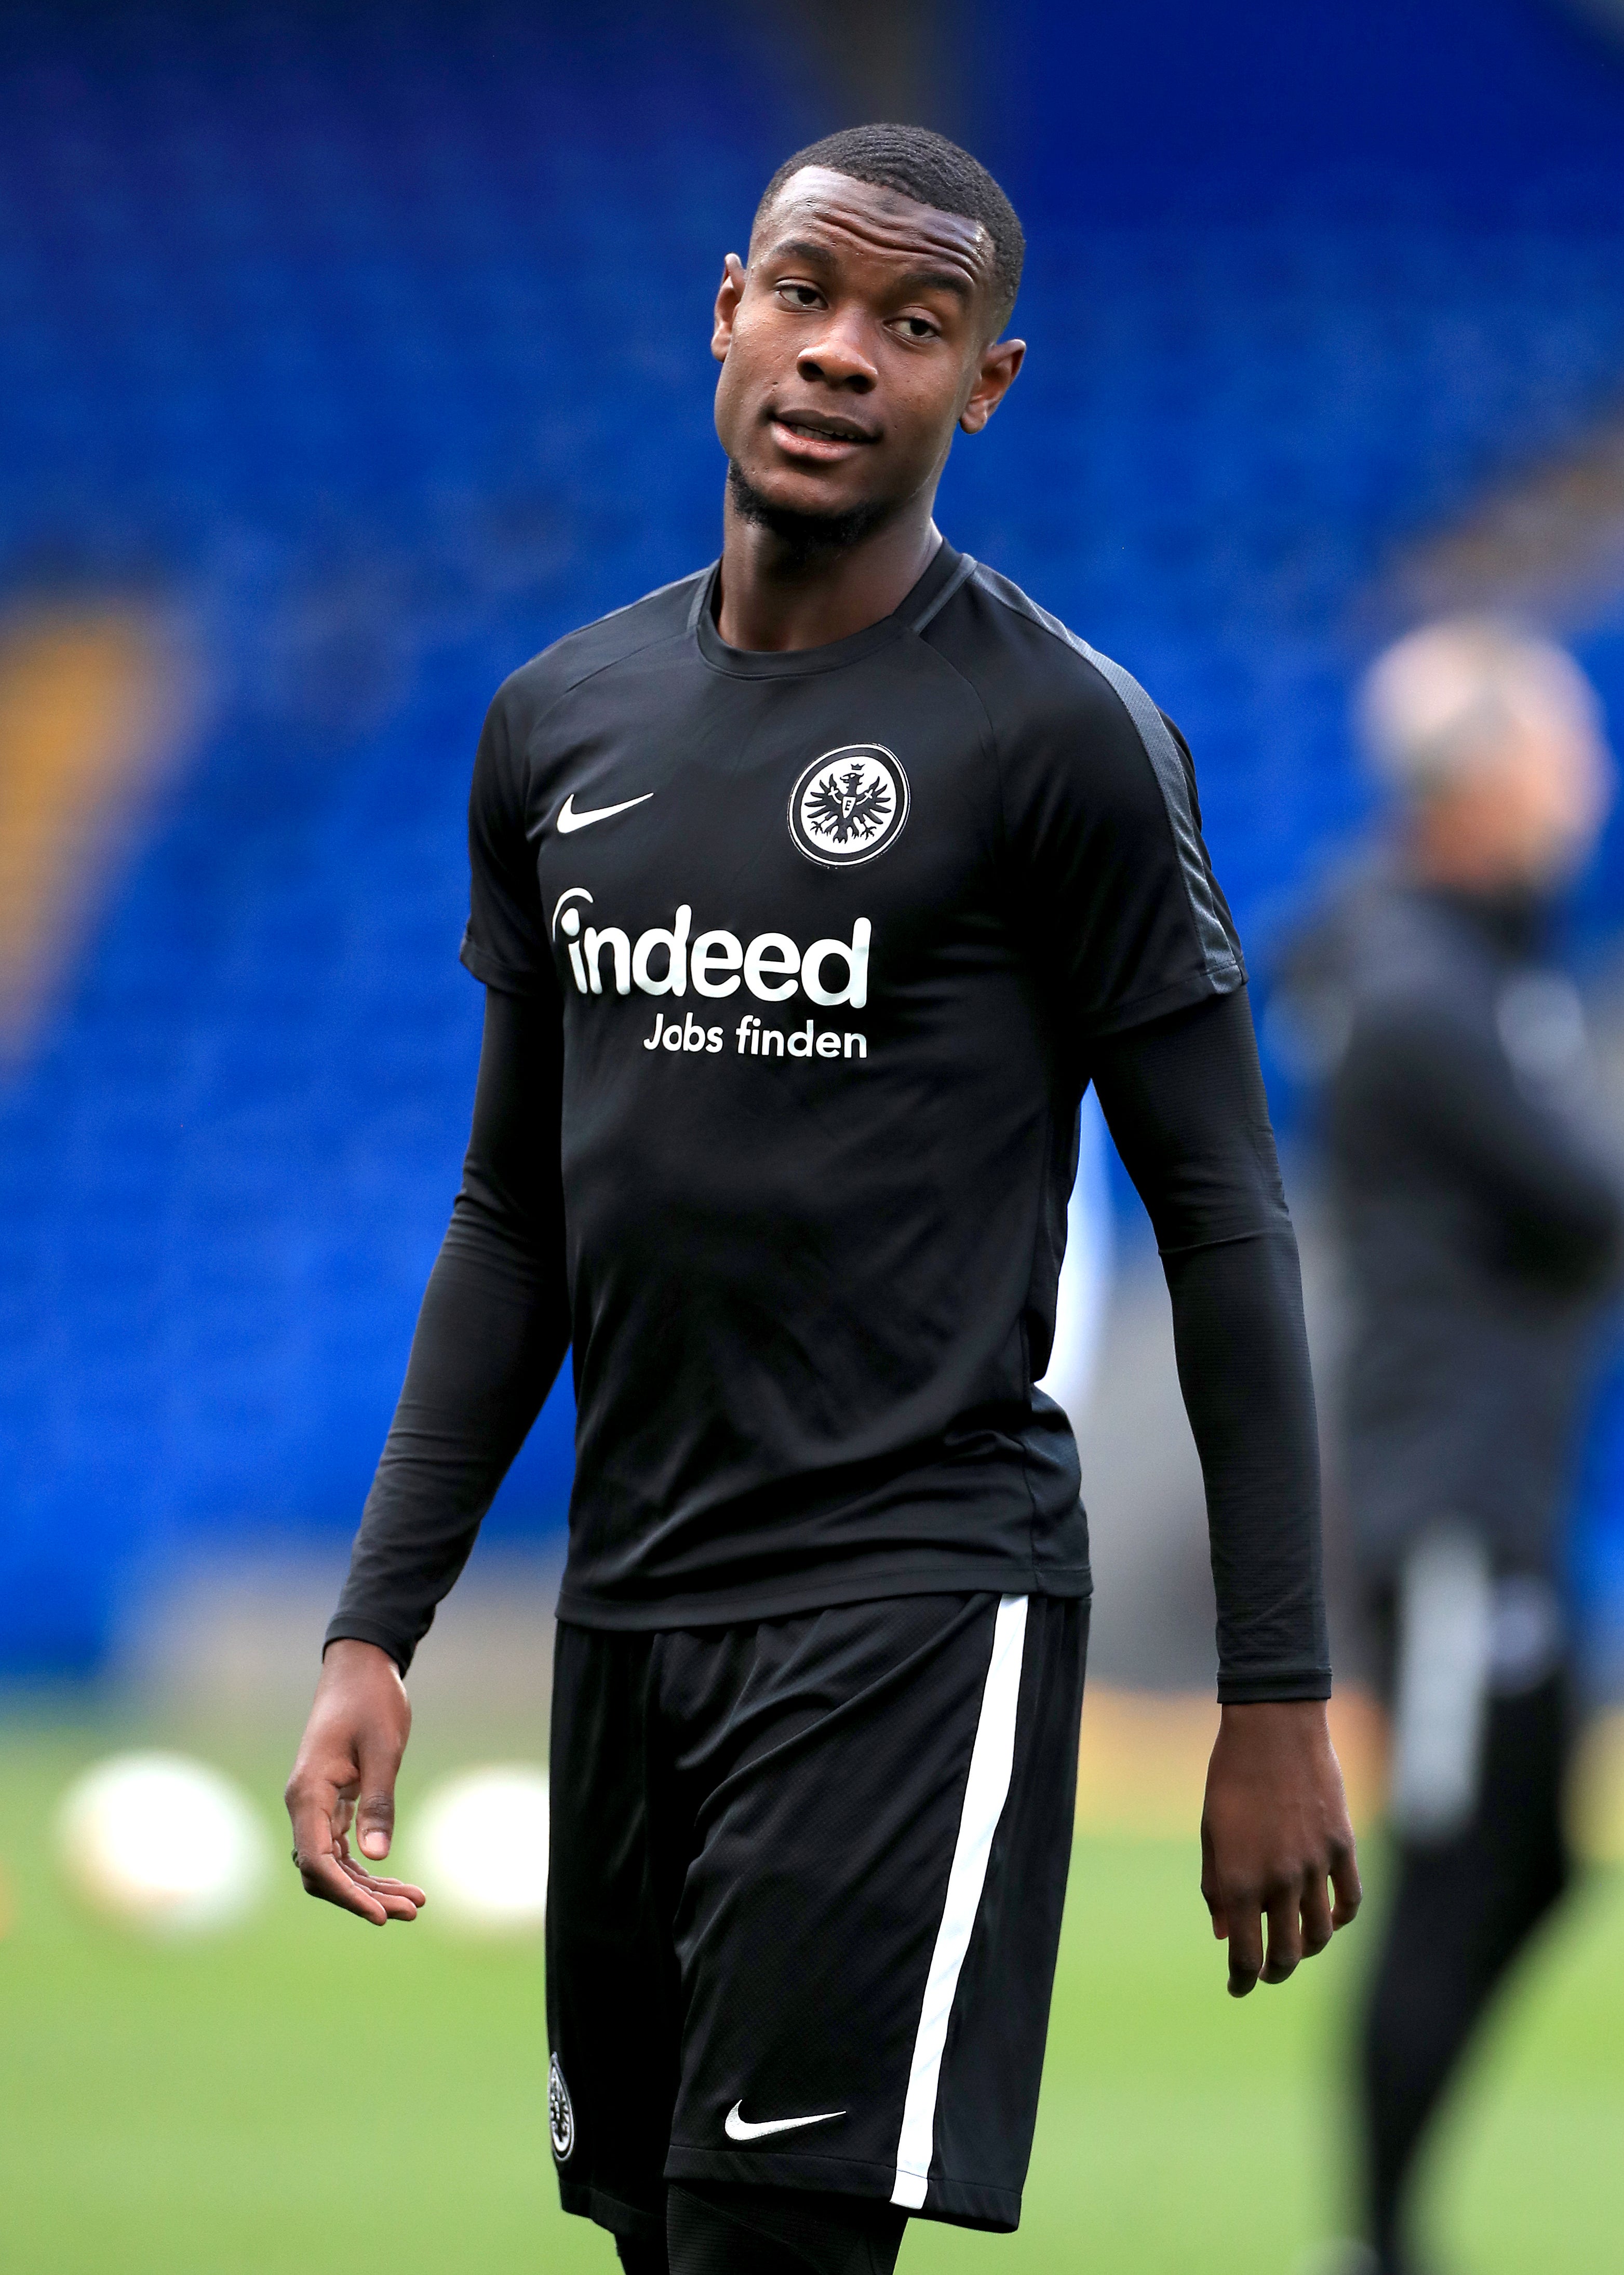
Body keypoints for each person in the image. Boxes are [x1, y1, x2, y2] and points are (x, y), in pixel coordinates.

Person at [284, 123, 1360, 2275]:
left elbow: (1226, 1219)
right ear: (723, 311)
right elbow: (516, 1214)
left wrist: (1271, 1691)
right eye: (804, 294)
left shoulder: (1060, 742)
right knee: (661, 2241)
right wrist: (375, 1621)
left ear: (988, 385)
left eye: (913, 322)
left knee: (767, 2254)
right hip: (632, 1608)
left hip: (910, 1601)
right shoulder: (556, 725)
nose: (841, 351)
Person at [1283, 621, 1624, 2275]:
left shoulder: (1455, 953)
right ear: (1479, 783)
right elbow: (1598, 1205)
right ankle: (1376, 2238)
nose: (1590, 781)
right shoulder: (1431, 989)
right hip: (1445, 1501)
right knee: (1443, 1868)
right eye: (1560, 750)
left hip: (1506, 1487)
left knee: (1543, 1856)